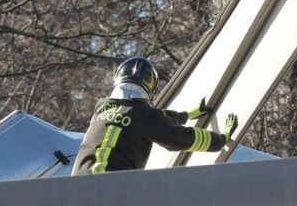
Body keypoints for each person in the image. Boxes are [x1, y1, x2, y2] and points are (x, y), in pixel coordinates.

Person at [72, 56, 238, 175]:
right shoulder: (142, 116)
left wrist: (186, 115)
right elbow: (179, 137)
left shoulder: (102, 108)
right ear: (150, 87)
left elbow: (139, 119)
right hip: (112, 189)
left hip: (78, 188)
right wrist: (220, 140)